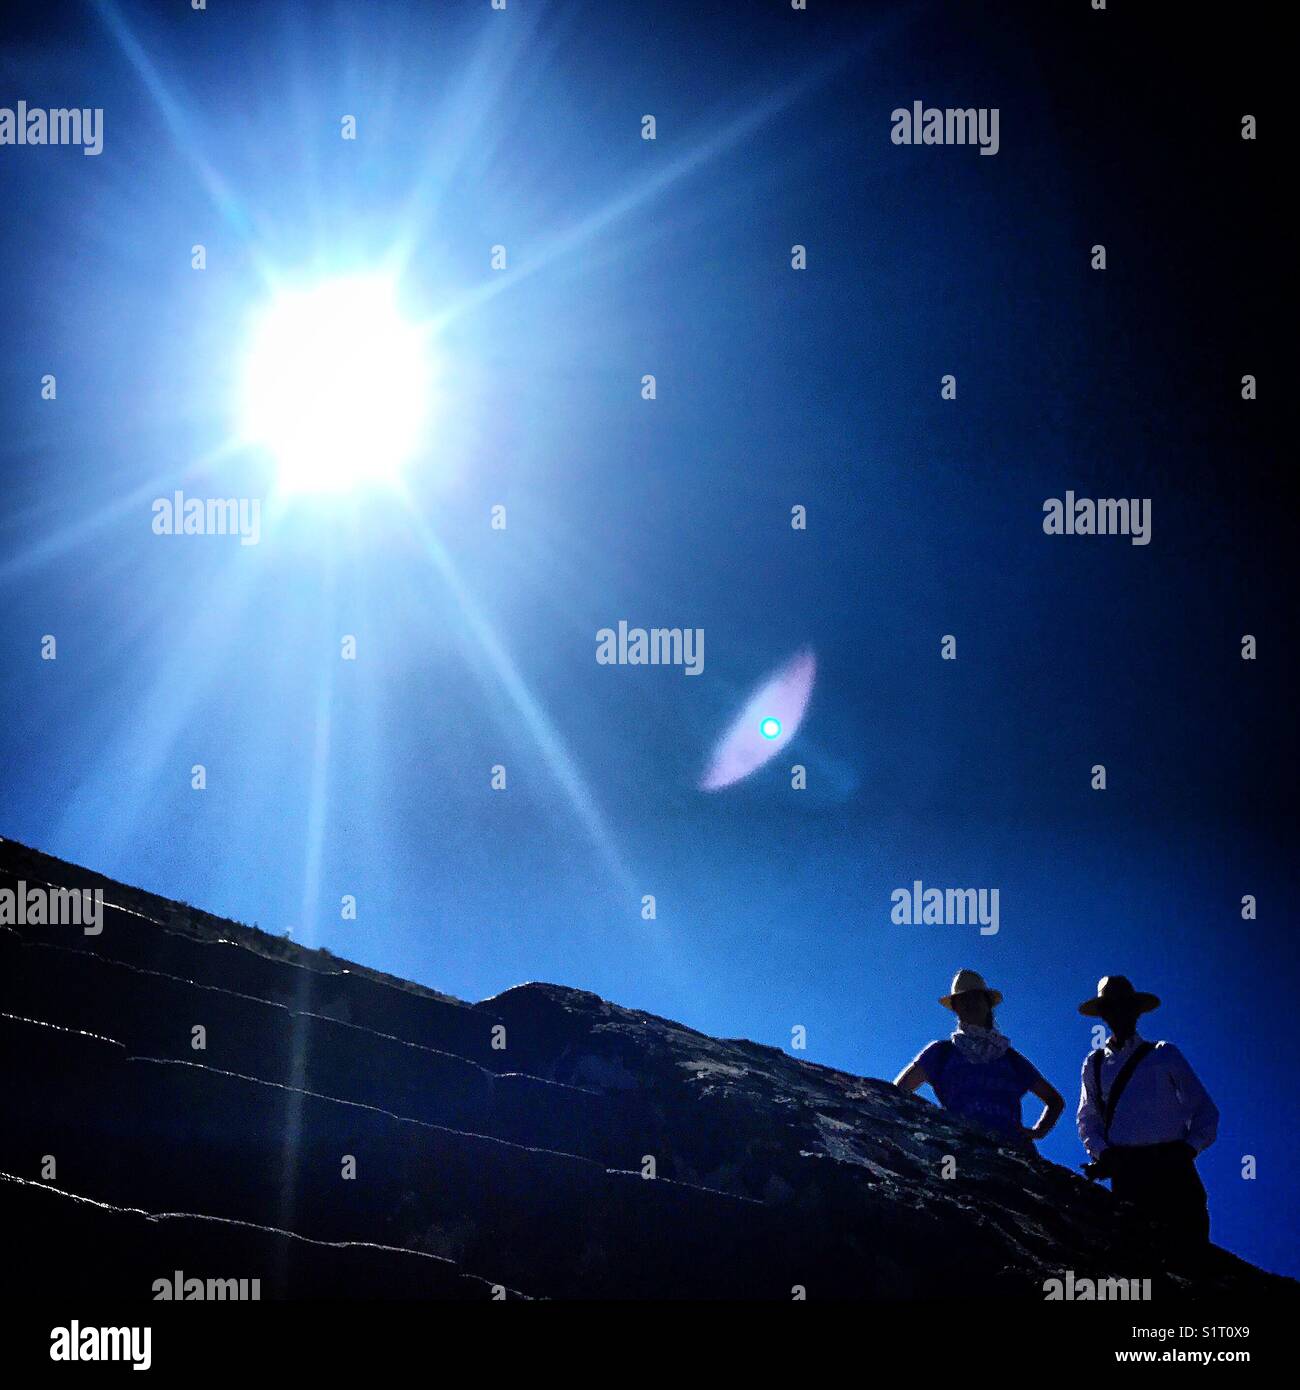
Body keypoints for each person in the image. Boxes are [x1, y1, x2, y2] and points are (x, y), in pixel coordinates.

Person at [1075, 975, 1219, 1246]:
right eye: (1111, 1006)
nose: (1118, 1012)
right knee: (1140, 1257)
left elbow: (1204, 1110)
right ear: (1103, 1014)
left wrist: (1188, 1149)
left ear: (1136, 1011)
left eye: (1124, 1005)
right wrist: (1103, 1154)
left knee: (1191, 1255)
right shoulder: (1093, 1064)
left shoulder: (1164, 1053)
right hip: (1127, 1173)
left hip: (1174, 1170)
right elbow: (1088, 1119)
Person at [894, 969, 1064, 1148]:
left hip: (1013, 1153)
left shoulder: (1011, 1059)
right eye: (963, 999)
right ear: (956, 1007)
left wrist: (1038, 1131)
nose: (970, 1003)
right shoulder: (940, 1053)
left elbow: (1055, 1101)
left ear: (988, 1004)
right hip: (962, 1149)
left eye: (976, 997)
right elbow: (898, 1091)